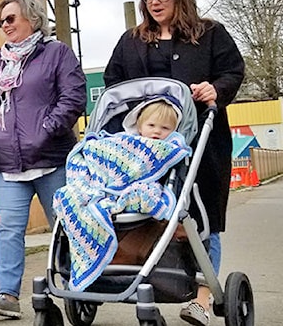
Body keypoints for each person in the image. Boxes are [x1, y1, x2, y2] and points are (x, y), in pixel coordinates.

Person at [104, 0, 245, 326]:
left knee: (203, 216)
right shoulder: (131, 40)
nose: (154, 2)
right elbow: (113, 83)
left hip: (201, 142)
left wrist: (216, 89)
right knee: (145, 211)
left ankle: (201, 298)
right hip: (144, 146)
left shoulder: (210, 34)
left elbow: (233, 71)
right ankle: (141, 276)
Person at [0, 0, 86, 319]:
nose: (4, 25)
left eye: (10, 18)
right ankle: (8, 295)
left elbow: (74, 96)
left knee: (64, 227)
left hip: (52, 159)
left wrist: (45, 130)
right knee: (9, 229)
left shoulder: (56, 54)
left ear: (33, 19)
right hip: (8, 163)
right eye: (1, 21)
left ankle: (75, 288)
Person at [54, 98, 191, 291]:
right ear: (139, 126)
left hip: (143, 188)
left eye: (165, 128)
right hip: (100, 187)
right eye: (151, 125)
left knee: (143, 194)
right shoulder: (124, 141)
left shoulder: (171, 146)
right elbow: (102, 154)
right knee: (68, 196)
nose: (157, 132)